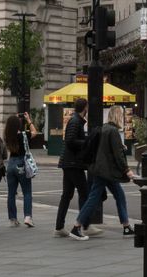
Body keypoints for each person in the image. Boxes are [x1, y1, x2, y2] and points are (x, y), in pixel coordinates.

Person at [68, 106, 134, 241]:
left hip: (101, 169)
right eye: (121, 115)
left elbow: (106, 148)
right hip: (105, 171)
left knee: (119, 195)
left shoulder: (104, 128)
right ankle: (76, 226)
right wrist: (127, 170)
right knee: (93, 198)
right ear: (117, 116)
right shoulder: (113, 131)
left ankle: (126, 226)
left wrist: (121, 147)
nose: (122, 118)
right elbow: (117, 155)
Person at [55, 99, 90, 237]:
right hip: (73, 163)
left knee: (67, 195)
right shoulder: (76, 121)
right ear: (85, 107)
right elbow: (70, 141)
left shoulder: (75, 120)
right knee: (84, 194)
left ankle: (59, 227)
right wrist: (86, 142)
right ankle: (79, 226)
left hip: (69, 162)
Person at [3, 113, 35, 228]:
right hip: (21, 163)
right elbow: (34, 133)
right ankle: (27, 217)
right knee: (27, 192)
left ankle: (13, 218)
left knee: (11, 193)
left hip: (10, 164)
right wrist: (28, 120)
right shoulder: (23, 135)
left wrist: (13, 118)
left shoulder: (7, 136)